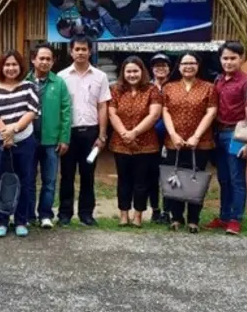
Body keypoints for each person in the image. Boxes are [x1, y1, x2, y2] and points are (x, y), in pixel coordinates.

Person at [57, 35, 111, 226]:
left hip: (91, 133)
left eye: (84, 49)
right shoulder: (61, 77)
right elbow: (59, 108)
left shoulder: (100, 76)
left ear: (90, 51)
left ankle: (86, 214)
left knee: (88, 175)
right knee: (67, 175)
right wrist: (60, 136)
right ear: (71, 52)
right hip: (68, 133)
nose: (80, 52)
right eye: (77, 49)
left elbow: (102, 106)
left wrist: (102, 135)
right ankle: (64, 214)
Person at [0, 50, 40, 237]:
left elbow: (31, 112)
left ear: (20, 66)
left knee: (24, 180)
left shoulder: (29, 87)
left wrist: (13, 130)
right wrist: (5, 135)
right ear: (1, 67)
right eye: (7, 64)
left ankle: (20, 221)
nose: (11, 68)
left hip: (24, 140)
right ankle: (1, 220)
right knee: (1, 180)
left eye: (14, 64)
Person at [162, 52, 217, 233]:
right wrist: (173, 134)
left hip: (200, 143)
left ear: (198, 66)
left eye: (192, 63)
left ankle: (194, 219)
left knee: (196, 179)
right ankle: (176, 217)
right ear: (178, 67)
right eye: (184, 63)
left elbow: (211, 111)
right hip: (175, 142)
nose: (188, 66)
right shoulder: (169, 87)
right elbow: (165, 111)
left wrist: (196, 136)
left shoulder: (208, 87)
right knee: (175, 178)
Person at [109, 56, 162, 227]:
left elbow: (154, 114)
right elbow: (112, 113)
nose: (132, 75)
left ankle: (138, 215)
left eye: (135, 71)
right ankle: (123, 215)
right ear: (123, 73)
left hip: (146, 144)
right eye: (128, 71)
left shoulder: (152, 90)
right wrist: (124, 133)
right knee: (123, 180)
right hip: (121, 143)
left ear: (142, 71)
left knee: (142, 181)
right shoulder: (115, 90)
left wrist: (135, 132)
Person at [207, 41, 247, 236]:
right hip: (219, 133)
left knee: (236, 178)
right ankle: (224, 216)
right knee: (223, 178)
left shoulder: (246, 82)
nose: (229, 62)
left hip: (237, 134)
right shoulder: (218, 80)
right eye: (225, 58)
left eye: (233, 58)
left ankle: (235, 219)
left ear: (242, 59)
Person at [25, 43, 72, 228]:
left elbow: (66, 111)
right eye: (41, 58)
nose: (44, 62)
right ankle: (28, 215)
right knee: (28, 179)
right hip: (27, 140)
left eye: (48, 59)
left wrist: (64, 138)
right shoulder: (24, 82)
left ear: (53, 62)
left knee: (50, 180)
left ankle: (45, 214)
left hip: (51, 140)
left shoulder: (59, 83)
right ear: (33, 60)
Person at [149, 53, 172, 224]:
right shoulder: (147, 87)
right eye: (157, 66)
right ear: (152, 69)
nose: (160, 69)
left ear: (169, 69)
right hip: (150, 139)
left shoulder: (175, 87)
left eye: (163, 65)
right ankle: (155, 209)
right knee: (151, 175)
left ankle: (167, 210)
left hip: (171, 139)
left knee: (169, 175)